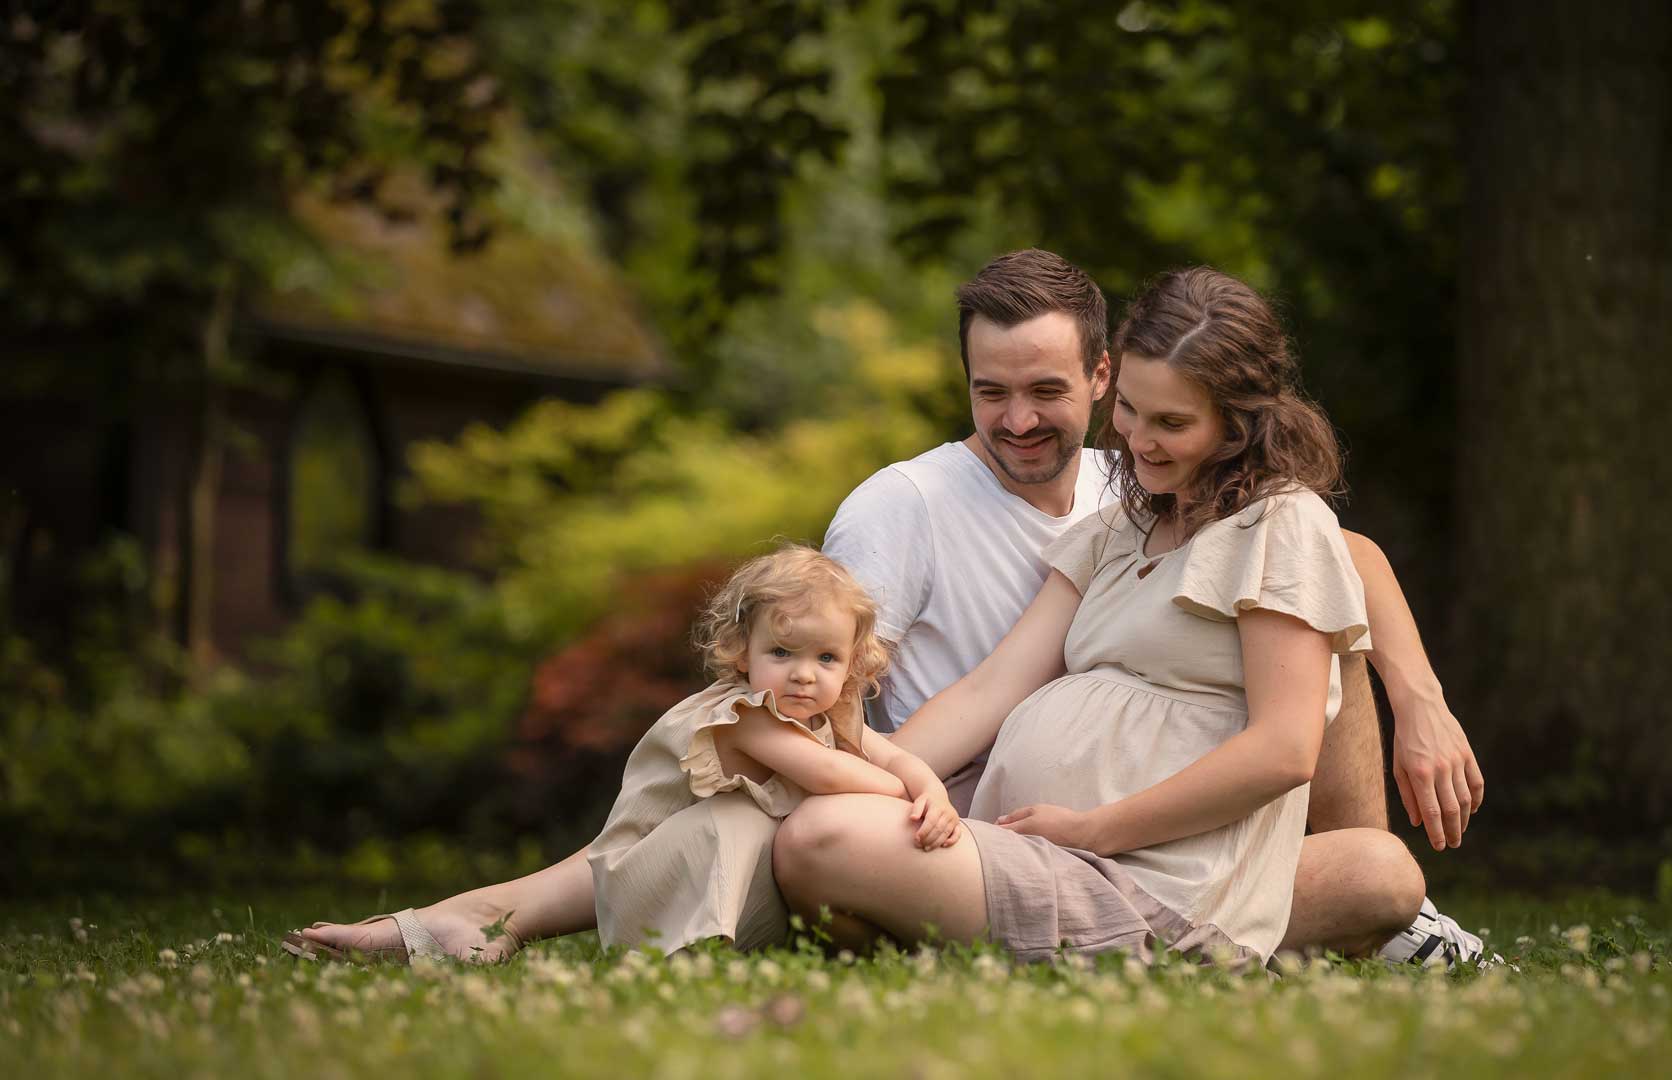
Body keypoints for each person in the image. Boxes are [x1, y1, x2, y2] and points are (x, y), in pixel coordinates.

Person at [285, 249, 1486, 968]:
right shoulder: (1025, 512)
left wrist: (1421, 698)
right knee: (737, 762)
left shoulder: (1232, 511)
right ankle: (471, 917)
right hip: (982, 821)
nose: (1032, 422)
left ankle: (1381, 913)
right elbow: (985, 685)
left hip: (1120, 855)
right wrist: (883, 770)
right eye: (989, 390)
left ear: (1118, 378)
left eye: (1075, 399)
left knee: (1360, 782)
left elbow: (1328, 577)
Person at [773, 265, 1420, 964]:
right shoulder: (1117, 527)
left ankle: (986, 947)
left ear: (1238, 423)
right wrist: (861, 774)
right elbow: (990, 690)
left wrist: (1095, 830)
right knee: (821, 825)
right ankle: (957, 944)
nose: (1138, 440)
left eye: (1172, 422)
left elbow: (1284, 750)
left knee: (820, 844)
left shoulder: (1280, 525)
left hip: (1142, 873)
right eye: (1133, 412)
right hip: (1034, 847)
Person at [283, 547, 960, 963]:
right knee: (741, 823)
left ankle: (452, 928)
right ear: (741, 654)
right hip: (644, 881)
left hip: (693, 876)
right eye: (781, 654)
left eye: (826, 658)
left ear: (854, 664)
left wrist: (929, 788)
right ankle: (445, 929)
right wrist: (902, 793)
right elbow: (831, 774)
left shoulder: (827, 713)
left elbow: (891, 756)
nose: (804, 675)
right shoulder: (744, 716)